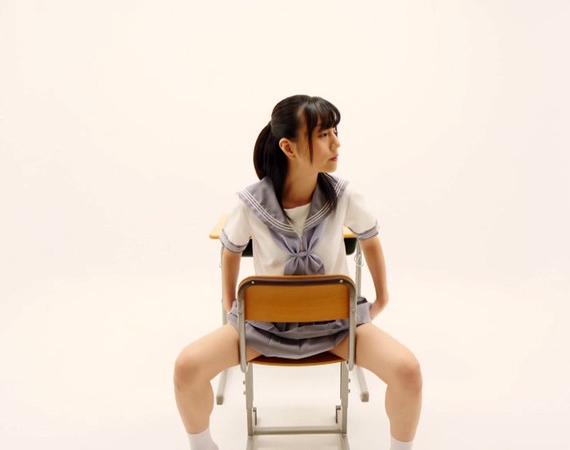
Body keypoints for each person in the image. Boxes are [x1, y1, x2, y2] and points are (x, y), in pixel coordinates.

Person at [173, 95, 422, 450]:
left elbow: (369, 238)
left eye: (335, 132)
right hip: (263, 330)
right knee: (186, 368)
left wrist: (382, 299)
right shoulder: (251, 204)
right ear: (288, 147)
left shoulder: (343, 196)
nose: (336, 144)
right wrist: (230, 305)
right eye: (323, 135)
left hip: (338, 328)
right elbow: (230, 248)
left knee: (408, 371)